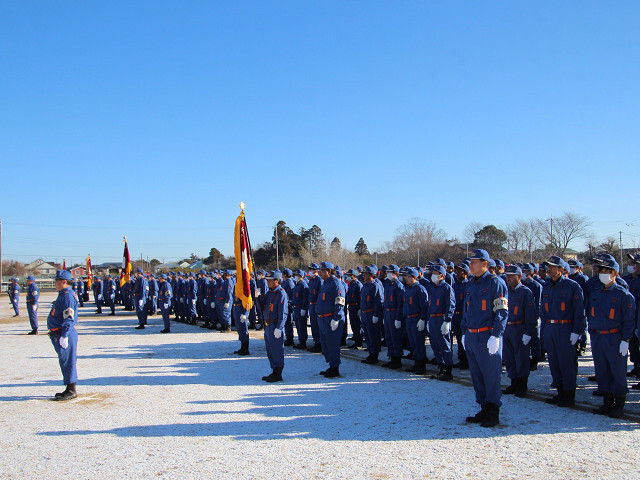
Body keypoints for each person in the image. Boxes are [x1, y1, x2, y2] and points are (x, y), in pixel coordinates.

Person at [461, 249, 508, 428]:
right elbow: (467, 310)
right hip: (472, 335)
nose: (471, 265)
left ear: (485, 264)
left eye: (475, 262)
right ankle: (483, 407)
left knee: (491, 376)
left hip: (487, 335)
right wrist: (464, 331)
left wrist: (496, 335)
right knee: (477, 376)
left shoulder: (496, 283)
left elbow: (501, 311)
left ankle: (493, 411)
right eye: (470, 262)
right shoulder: (471, 283)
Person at [588, 258, 636, 417]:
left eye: (607, 272)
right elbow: (591, 314)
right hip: (599, 337)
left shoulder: (623, 295)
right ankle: (607, 403)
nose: (603, 274)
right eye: (601, 271)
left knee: (617, 372)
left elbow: (629, 319)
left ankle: (619, 405)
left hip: (615, 338)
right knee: (602, 371)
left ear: (615, 274)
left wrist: (626, 339)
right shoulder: (596, 293)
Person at [540, 256, 586, 408]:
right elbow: (543, 311)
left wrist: (577, 331)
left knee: (567, 363)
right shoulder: (546, 286)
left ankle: (569, 394)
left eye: (553, 267)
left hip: (566, 328)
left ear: (561, 269)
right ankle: (560, 392)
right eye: (548, 266)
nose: (549, 269)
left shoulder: (572, 286)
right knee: (554, 362)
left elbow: (579, 311)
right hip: (551, 328)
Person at [502, 265, 537, 398]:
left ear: (519, 277)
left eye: (511, 276)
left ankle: (522, 384)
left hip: (519, 328)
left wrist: (529, 331)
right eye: (507, 276)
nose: (509, 278)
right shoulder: (506, 291)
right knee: (509, 358)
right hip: (507, 327)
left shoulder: (525, 292)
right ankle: (514, 382)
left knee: (521, 358)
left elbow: (530, 314)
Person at [47, 270, 79, 401]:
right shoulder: (63, 294)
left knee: (68, 361)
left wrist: (64, 335)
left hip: (64, 332)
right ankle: (68, 387)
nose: (55, 283)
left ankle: (71, 390)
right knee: (64, 360)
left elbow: (69, 317)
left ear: (64, 282)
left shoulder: (67, 296)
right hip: (59, 332)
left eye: (57, 281)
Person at [316, 261, 346, 377]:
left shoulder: (336, 283)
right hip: (322, 319)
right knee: (325, 344)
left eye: (322, 271)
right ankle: (331, 365)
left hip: (331, 319)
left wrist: (336, 318)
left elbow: (339, 301)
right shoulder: (325, 283)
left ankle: (335, 368)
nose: (319, 273)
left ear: (328, 271)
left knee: (332, 344)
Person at [428, 265, 456, 381]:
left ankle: (448, 370)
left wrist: (447, 320)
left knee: (444, 344)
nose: (433, 275)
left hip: (441, 319)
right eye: (433, 273)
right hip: (433, 318)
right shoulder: (432, 288)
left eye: (436, 273)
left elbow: (451, 304)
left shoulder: (447, 288)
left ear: (442, 275)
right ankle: (440, 367)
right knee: (435, 344)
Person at [261, 270, 288, 382]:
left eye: (270, 280)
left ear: (277, 280)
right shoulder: (270, 293)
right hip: (268, 325)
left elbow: (283, 312)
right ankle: (273, 370)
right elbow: (263, 307)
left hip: (275, 325)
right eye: (267, 280)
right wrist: (258, 298)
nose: (268, 282)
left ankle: (278, 373)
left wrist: (279, 327)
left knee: (277, 350)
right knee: (270, 349)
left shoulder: (281, 293)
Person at [402, 267, 429, 375]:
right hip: (409, 319)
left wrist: (423, 319)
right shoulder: (408, 289)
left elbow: (425, 306)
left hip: (417, 319)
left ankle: (421, 365)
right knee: (413, 343)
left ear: (414, 277)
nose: (406, 279)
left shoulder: (420, 289)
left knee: (419, 343)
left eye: (408, 277)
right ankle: (416, 363)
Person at [382, 264, 405, 369]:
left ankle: (397, 359)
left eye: (390, 272)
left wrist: (398, 318)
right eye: (387, 272)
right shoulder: (388, 284)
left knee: (395, 337)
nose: (388, 274)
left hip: (394, 313)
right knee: (389, 337)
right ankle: (391, 358)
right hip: (387, 313)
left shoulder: (398, 286)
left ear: (396, 273)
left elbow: (400, 303)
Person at [360, 265, 384, 364]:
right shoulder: (365, 286)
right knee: (367, 335)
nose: (364, 276)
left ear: (371, 275)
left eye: (365, 274)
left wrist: (376, 314)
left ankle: (374, 355)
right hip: (365, 313)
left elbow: (379, 301)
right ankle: (370, 353)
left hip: (371, 313)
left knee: (374, 335)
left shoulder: (375, 286)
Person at [306, 263, 324, 353]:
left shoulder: (319, 281)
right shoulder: (311, 280)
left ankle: (320, 344)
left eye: (311, 270)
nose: (309, 271)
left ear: (316, 271)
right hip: (311, 304)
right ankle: (316, 342)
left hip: (317, 304)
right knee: (313, 325)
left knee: (318, 326)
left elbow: (320, 294)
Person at [291, 269, 310, 349]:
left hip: (300, 307)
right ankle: (300, 340)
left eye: (297, 276)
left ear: (301, 276)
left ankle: (303, 342)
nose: (296, 277)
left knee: (302, 326)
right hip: (296, 308)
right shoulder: (297, 285)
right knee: (298, 326)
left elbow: (305, 298)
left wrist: (304, 308)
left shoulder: (303, 285)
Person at [345, 269, 363, 349]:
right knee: (353, 324)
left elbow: (360, 298)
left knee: (357, 325)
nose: (348, 277)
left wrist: (360, 308)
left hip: (356, 307)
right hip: (351, 307)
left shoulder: (358, 285)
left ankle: (359, 341)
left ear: (354, 276)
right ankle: (356, 338)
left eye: (349, 275)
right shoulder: (351, 284)